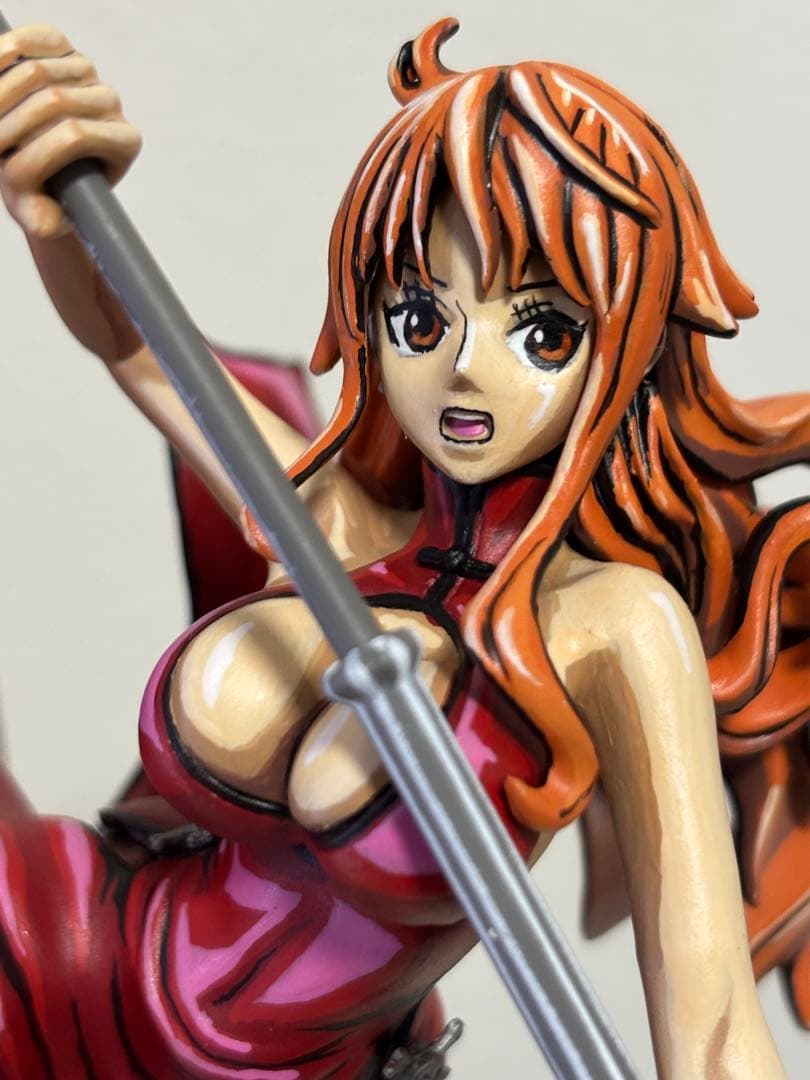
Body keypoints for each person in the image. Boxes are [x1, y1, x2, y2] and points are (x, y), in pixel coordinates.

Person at [0, 15, 807, 1079]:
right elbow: (135, 341)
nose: (466, 369)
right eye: (422, 317)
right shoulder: (328, 518)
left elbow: (709, 1030)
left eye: (542, 331)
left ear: (627, 338)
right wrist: (56, 193)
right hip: (63, 964)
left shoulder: (612, 627)